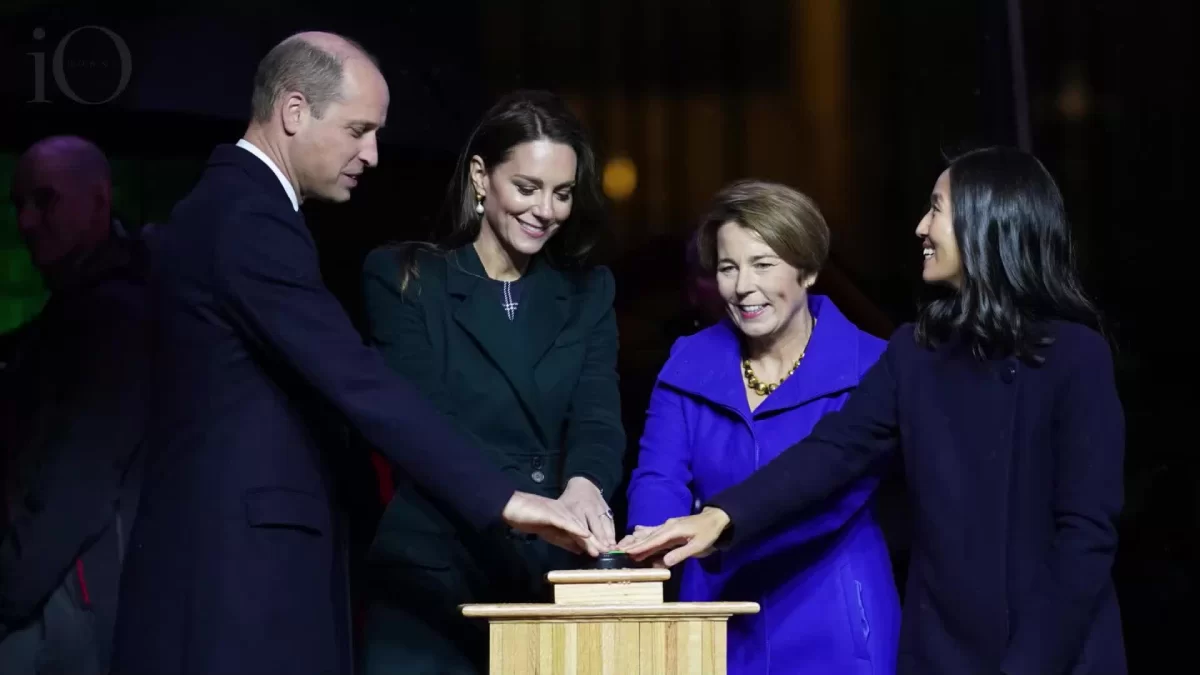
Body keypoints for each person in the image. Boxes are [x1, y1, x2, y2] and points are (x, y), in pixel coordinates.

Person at [110, 33, 597, 675]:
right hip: (238, 573)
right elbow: (358, 381)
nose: (371, 154)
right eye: (358, 130)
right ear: (292, 111)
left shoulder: (238, 209)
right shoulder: (245, 219)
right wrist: (510, 500)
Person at [620, 147, 1126, 675]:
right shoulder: (915, 351)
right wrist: (722, 516)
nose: (920, 227)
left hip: (1055, 653)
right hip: (945, 652)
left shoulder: (1077, 356)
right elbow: (833, 451)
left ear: (988, 222)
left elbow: (1085, 537)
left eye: (936, 209)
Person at [359, 89, 625, 674]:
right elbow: (419, 429)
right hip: (432, 576)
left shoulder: (589, 290)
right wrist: (517, 503)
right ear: (481, 177)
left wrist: (585, 485)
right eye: (526, 189)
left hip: (548, 575)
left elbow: (598, 414)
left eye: (561, 193)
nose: (545, 211)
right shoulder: (405, 278)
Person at [625, 180, 900, 675]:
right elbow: (659, 476)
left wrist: (717, 526)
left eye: (763, 264)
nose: (742, 286)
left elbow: (838, 491)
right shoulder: (688, 362)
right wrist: (651, 547)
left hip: (836, 615)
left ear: (809, 270)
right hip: (714, 611)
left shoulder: (873, 365)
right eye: (728, 268)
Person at [1, 136, 149, 675]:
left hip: (66, 601)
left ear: (99, 200)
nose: (27, 221)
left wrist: (11, 588)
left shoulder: (114, 317)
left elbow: (78, 481)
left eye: (45, 200)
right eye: (20, 205)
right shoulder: (81, 312)